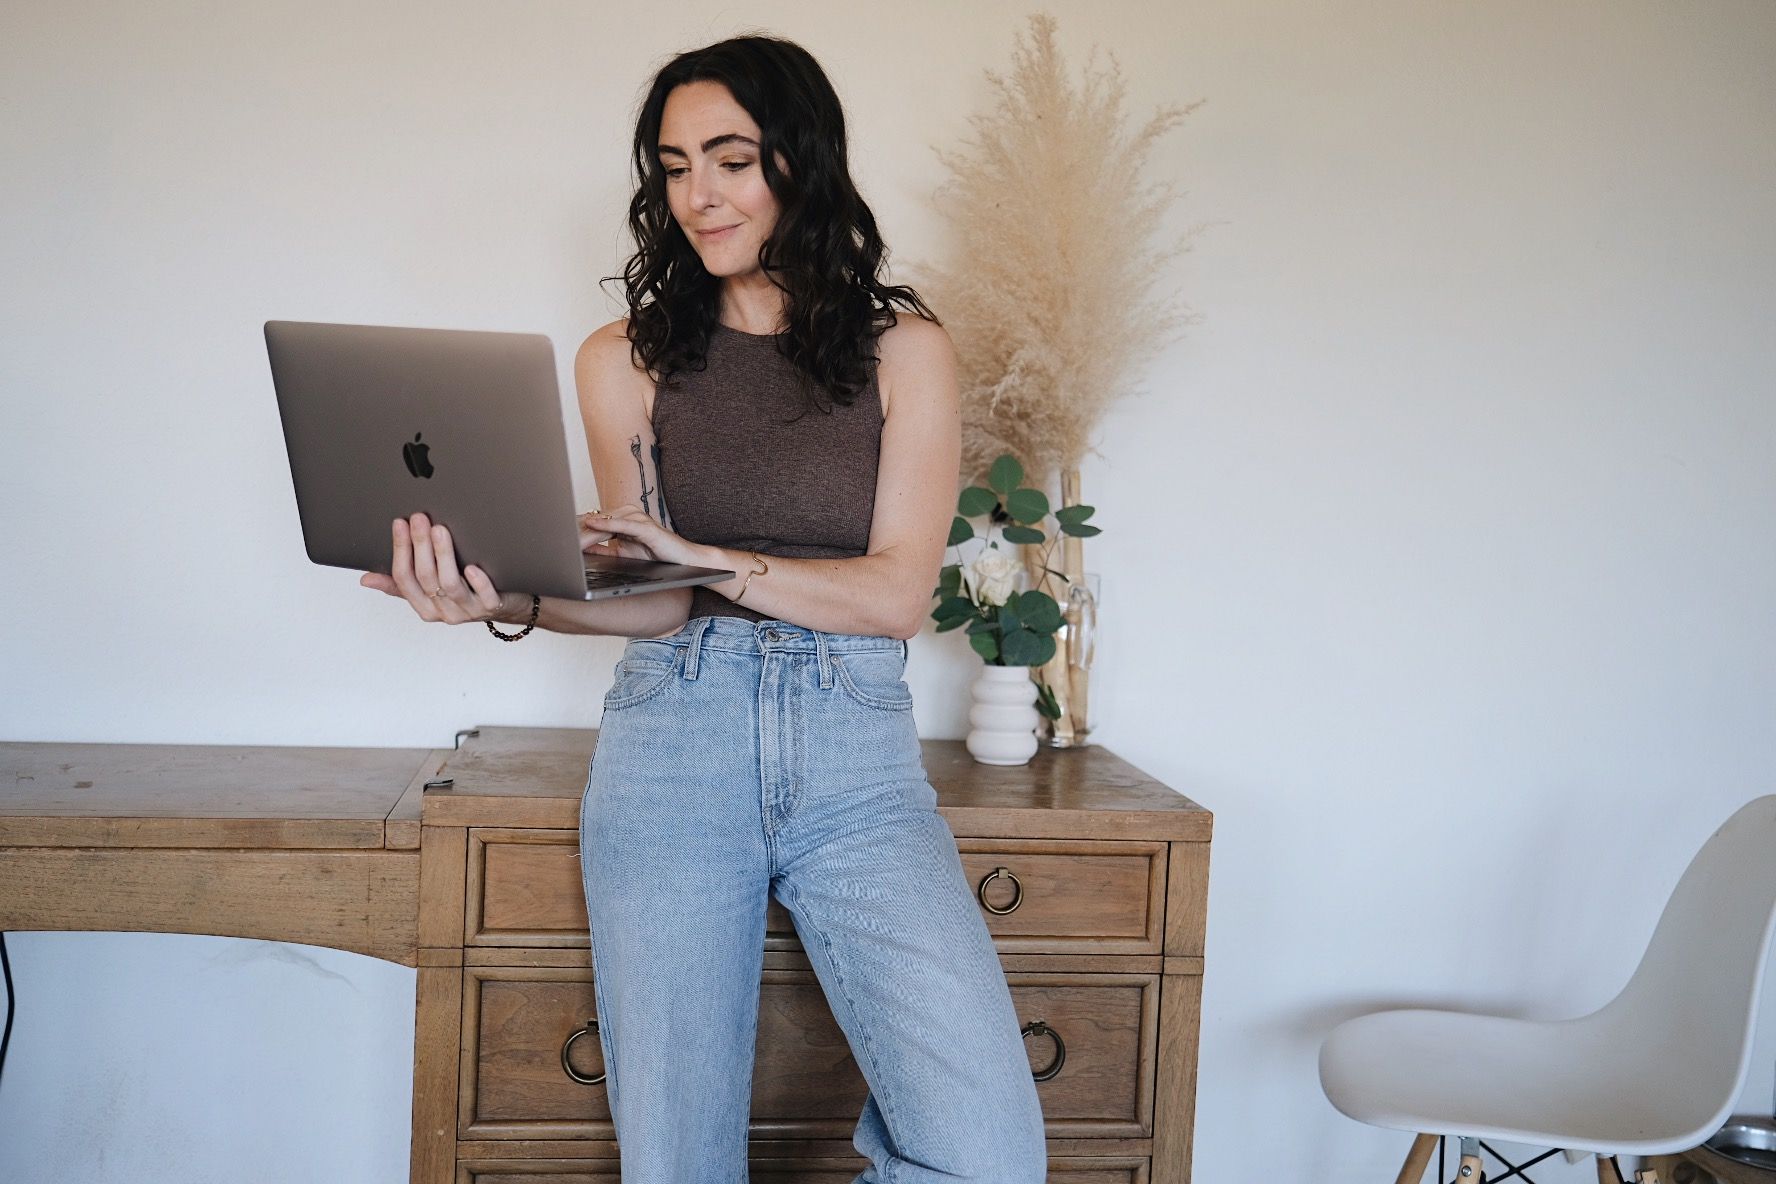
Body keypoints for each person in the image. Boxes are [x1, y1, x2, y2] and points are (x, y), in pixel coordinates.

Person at [360, 33, 1047, 1184]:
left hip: (857, 763)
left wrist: (710, 555)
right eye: (675, 165)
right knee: (676, 1160)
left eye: (730, 159)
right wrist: (506, 597)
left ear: (800, 160)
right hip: (673, 747)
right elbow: (656, 606)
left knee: (985, 1153)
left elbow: (893, 596)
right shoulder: (622, 358)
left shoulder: (906, 351)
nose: (698, 194)